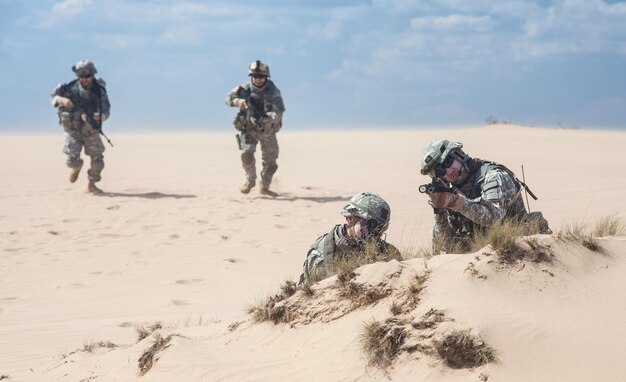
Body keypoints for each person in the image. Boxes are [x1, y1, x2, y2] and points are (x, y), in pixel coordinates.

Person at [419, 139, 551, 253]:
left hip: (515, 247)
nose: (448, 171)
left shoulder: (493, 176)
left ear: (459, 154)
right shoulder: (450, 191)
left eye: (448, 162)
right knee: (436, 231)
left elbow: (494, 218)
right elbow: (446, 245)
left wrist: (456, 202)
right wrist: (439, 209)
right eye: (440, 171)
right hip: (478, 253)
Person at [299, 192, 401, 285]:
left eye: (381, 228)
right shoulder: (322, 254)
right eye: (371, 224)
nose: (377, 232)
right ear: (350, 218)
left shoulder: (388, 252)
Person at [226, 60, 285, 196]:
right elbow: (228, 98)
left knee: (271, 165)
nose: (258, 79)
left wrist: (268, 117)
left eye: (261, 76)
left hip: (267, 130)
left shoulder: (274, 92)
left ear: (266, 77)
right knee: (246, 155)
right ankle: (250, 180)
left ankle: (264, 187)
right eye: (255, 76)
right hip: (249, 129)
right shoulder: (244, 89)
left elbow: (279, 111)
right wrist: (238, 101)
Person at [51, 59, 111, 194]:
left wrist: (101, 116)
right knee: (71, 160)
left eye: (87, 76)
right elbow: (53, 96)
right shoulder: (68, 87)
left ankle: (91, 184)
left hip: (90, 130)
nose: (85, 79)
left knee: (98, 161)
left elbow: (106, 110)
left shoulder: (99, 90)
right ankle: (76, 168)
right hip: (73, 130)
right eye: (81, 76)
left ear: (92, 75)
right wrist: (61, 100)